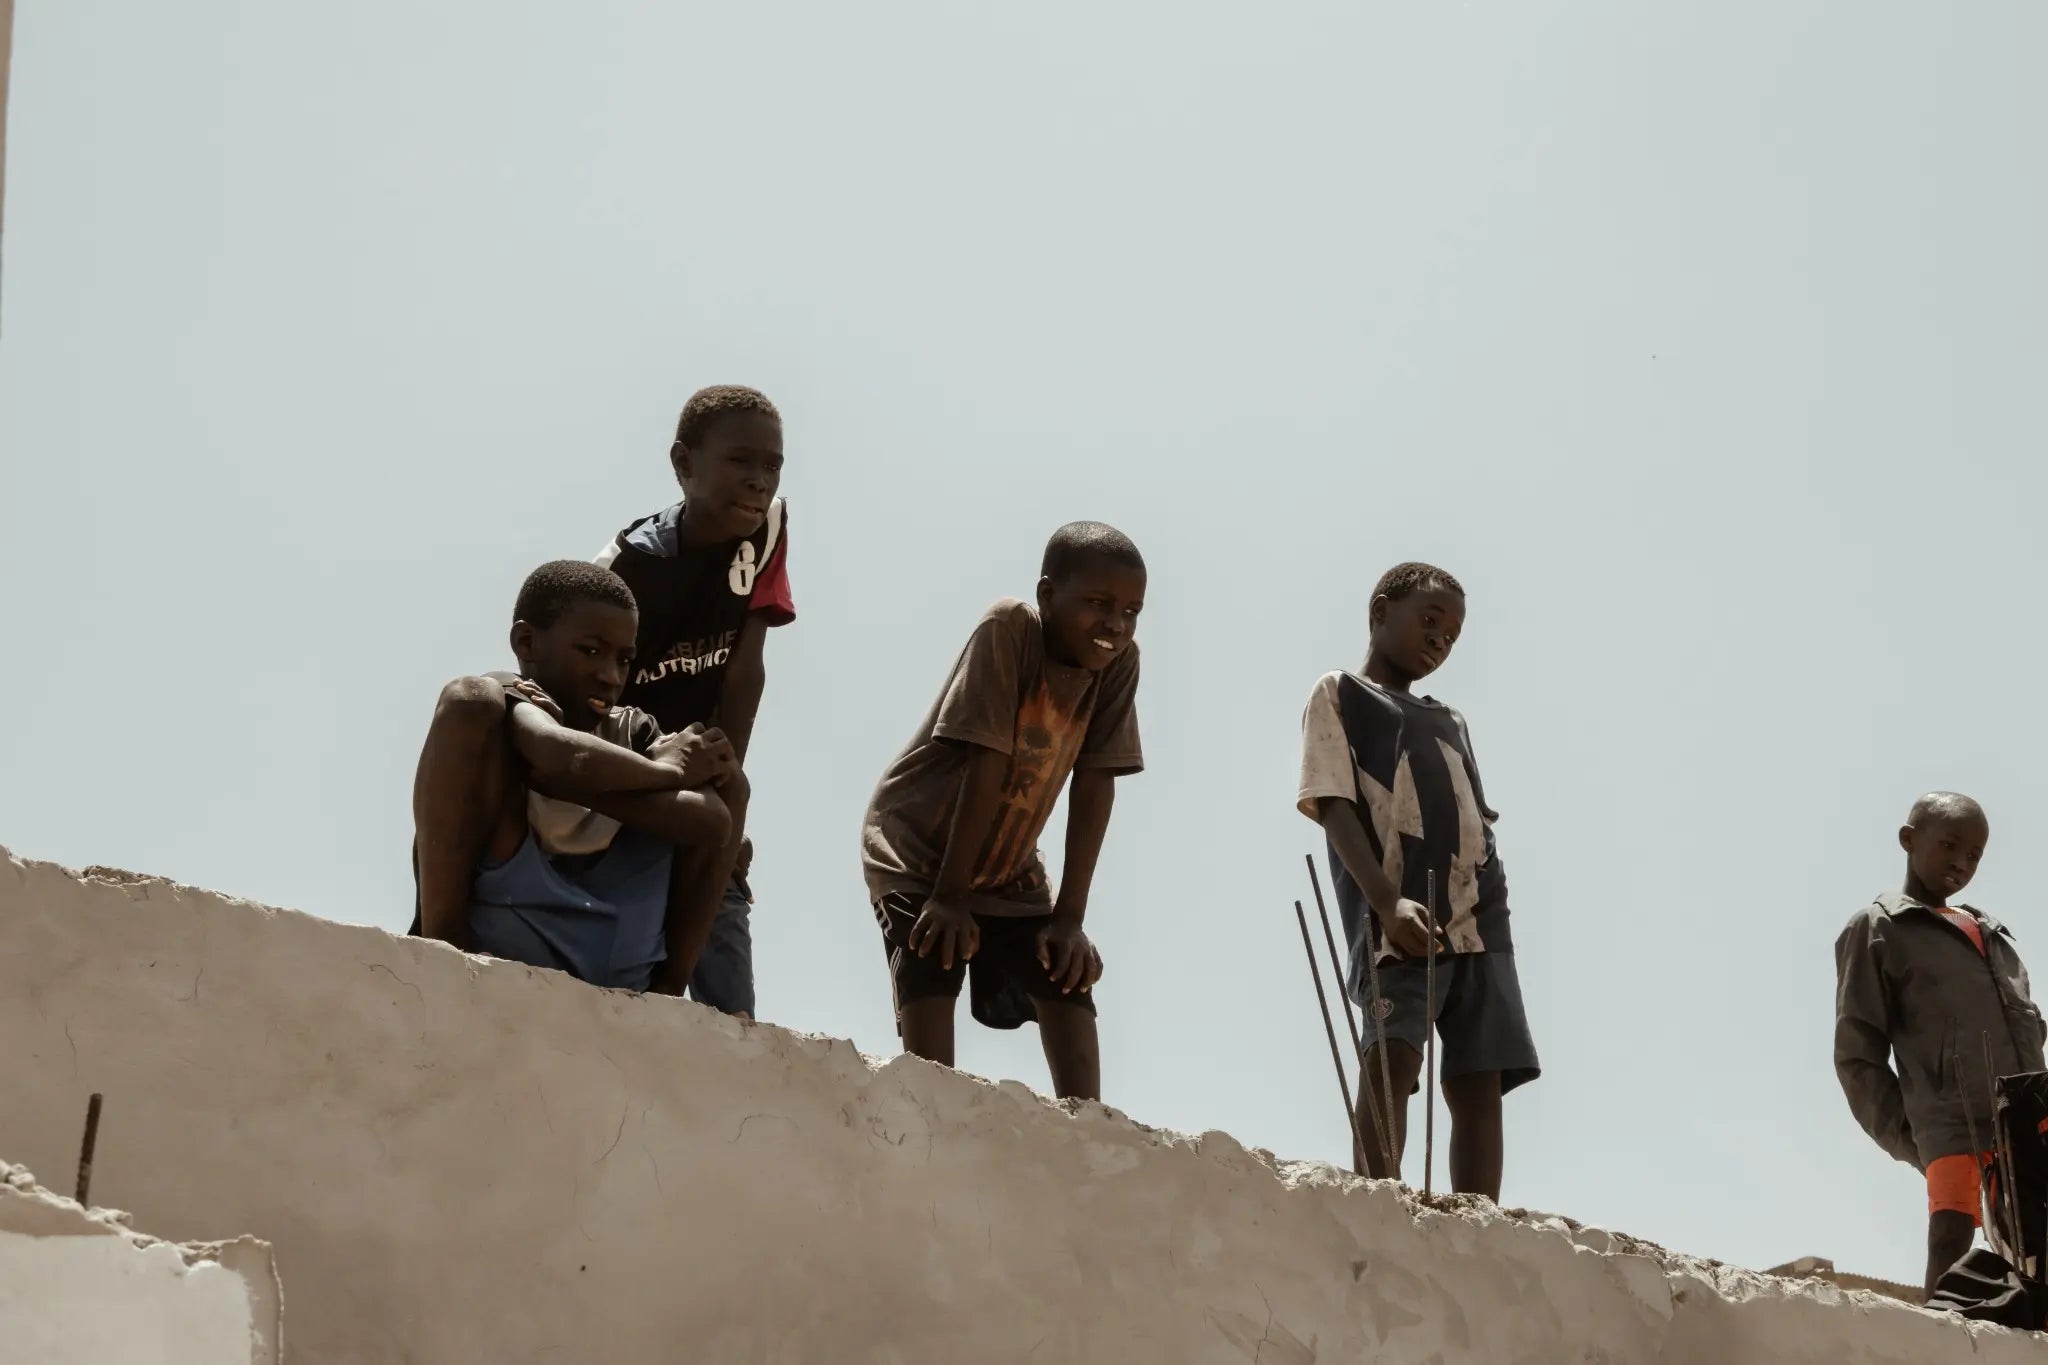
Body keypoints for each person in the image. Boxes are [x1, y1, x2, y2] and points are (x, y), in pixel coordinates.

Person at [860, 522, 1147, 1101]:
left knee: (1062, 971)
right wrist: (949, 895)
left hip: (1009, 865)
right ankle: (930, 1107)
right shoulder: (1010, 627)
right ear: (1047, 596)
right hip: (920, 849)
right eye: (1097, 604)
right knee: (932, 953)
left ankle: (1086, 1129)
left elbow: (1095, 784)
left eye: (1131, 610)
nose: (1115, 624)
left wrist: (1069, 918)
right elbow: (985, 761)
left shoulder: (1117, 663)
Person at [1296, 561, 1539, 1199]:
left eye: (1452, 634)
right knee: (1394, 1051)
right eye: (1429, 620)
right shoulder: (1342, 693)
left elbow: (1471, 816)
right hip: (1400, 907)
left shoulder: (1451, 720)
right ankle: (1378, 1195)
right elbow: (1333, 803)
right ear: (1381, 611)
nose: (1439, 640)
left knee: (1478, 1075)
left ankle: (1475, 1213)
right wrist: (1384, 900)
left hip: (1479, 914)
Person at [411, 560, 748, 993]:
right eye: (590, 651)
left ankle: (668, 991)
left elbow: (713, 820)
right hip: (508, 922)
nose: (610, 676)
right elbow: (553, 750)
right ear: (527, 642)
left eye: (624, 660)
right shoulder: (512, 694)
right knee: (466, 700)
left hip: (617, 945)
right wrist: (662, 771)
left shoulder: (636, 730)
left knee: (728, 777)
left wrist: (573, 781)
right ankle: (442, 947)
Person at [594, 384, 793, 1019]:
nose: (760, 481)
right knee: (628, 964)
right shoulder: (627, 569)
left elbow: (743, 671)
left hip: (702, 770)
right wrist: (655, 773)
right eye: (741, 461)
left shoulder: (767, 532)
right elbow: (589, 698)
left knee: (722, 912)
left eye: (772, 465)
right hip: (627, 765)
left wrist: (725, 770)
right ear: (684, 464)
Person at [1834, 791, 2047, 1300]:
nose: (1961, 862)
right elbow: (1857, 1056)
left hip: (2031, 1122)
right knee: (1952, 1239)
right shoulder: (1879, 928)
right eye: (1949, 845)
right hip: (1951, 1123)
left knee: (2040, 1251)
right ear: (1909, 840)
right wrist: (1915, 1138)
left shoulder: (1993, 936)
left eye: (1974, 854)